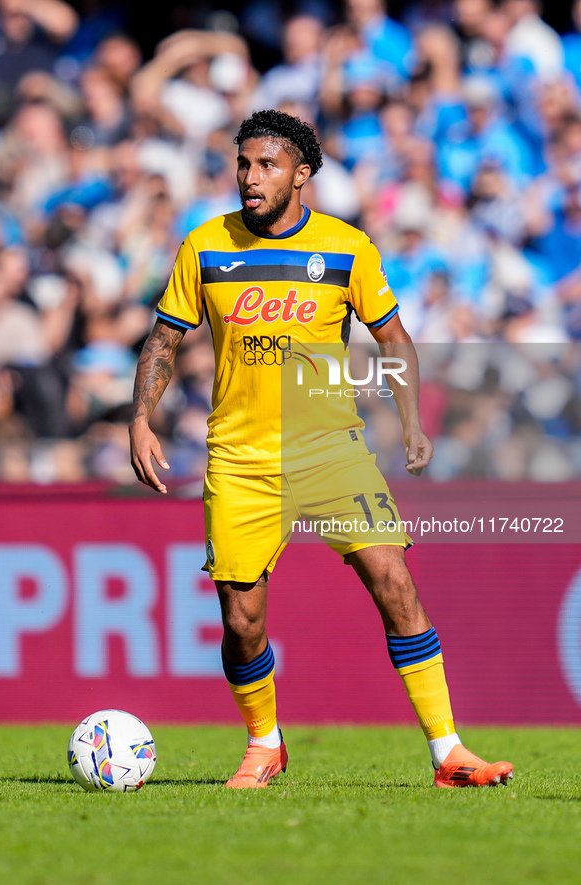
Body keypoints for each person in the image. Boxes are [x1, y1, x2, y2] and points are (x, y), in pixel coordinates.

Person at [129, 109, 514, 789]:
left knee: (393, 582)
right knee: (242, 621)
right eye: (243, 164)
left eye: (267, 165)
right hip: (241, 458)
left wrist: (410, 420)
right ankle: (264, 744)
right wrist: (140, 418)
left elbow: (392, 337)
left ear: (301, 174)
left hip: (332, 451)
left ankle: (448, 752)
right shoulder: (205, 247)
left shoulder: (346, 248)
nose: (250, 177)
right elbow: (165, 340)